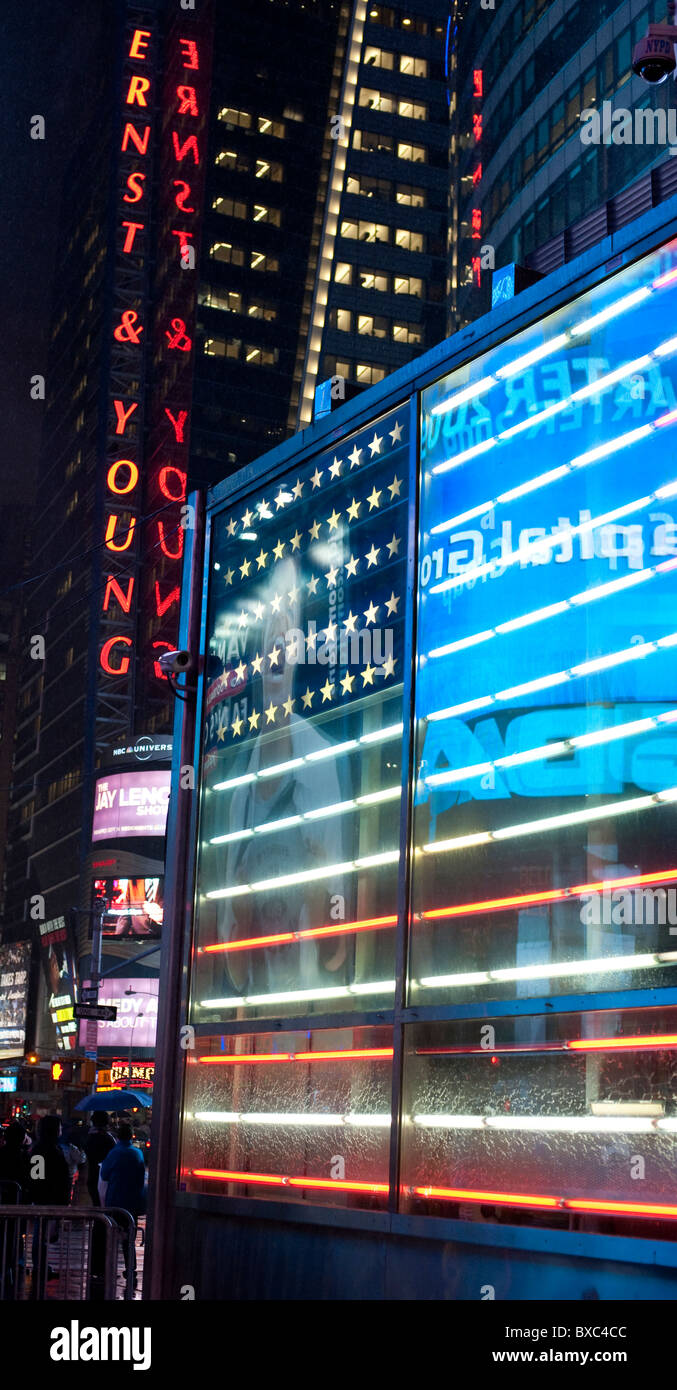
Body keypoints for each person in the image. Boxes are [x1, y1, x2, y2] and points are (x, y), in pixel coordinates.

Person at [99, 1122, 146, 1288]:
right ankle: (130, 1268)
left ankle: (110, 1267)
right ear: (132, 1136)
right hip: (133, 1202)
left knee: (112, 1235)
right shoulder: (138, 1153)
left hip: (116, 1201)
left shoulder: (114, 1153)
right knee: (129, 1239)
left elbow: (104, 1175)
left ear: (118, 1137)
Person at [27, 1116, 70, 1295]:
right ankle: (40, 1266)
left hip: (45, 1198)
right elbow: (37, 1177)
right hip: (47, 1199)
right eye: (59, 1127)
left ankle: (41, 1265)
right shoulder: (47, 1150)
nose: (61, 1130)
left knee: (43, 1235)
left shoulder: (42, 1149)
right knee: (42, 1235)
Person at [84, 1110, 116, 1206]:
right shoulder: (108, 1138)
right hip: (105, 1178)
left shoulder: (89, 1137)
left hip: (92, 1175)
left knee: (96, 1205)